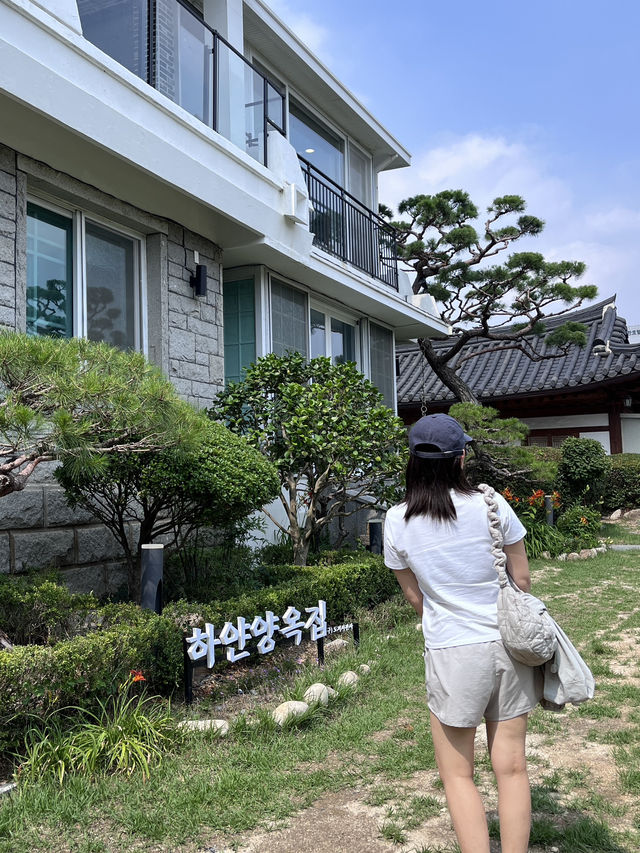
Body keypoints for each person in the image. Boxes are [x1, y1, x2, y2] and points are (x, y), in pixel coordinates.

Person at [384, 413, 541, 853]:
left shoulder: (396, 520)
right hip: (508, 646)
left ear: (413, 461)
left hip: (452, 651)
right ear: (460, 459)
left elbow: (415, 596)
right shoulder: (492, 504)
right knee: (512, 768)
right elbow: (522, 580)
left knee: (458, 776)